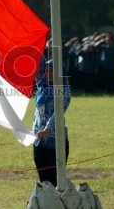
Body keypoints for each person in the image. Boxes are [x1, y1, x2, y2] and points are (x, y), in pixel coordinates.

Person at [32, 59, 71, 187]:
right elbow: (38, 66)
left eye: (52, 70)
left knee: (56, 182)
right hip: (39, 141)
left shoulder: (64, 91)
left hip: (56, 142)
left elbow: (58, 112)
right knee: (44, 182)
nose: (48, 73)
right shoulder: (42, 86)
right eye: (47, 70)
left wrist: (47, 129)